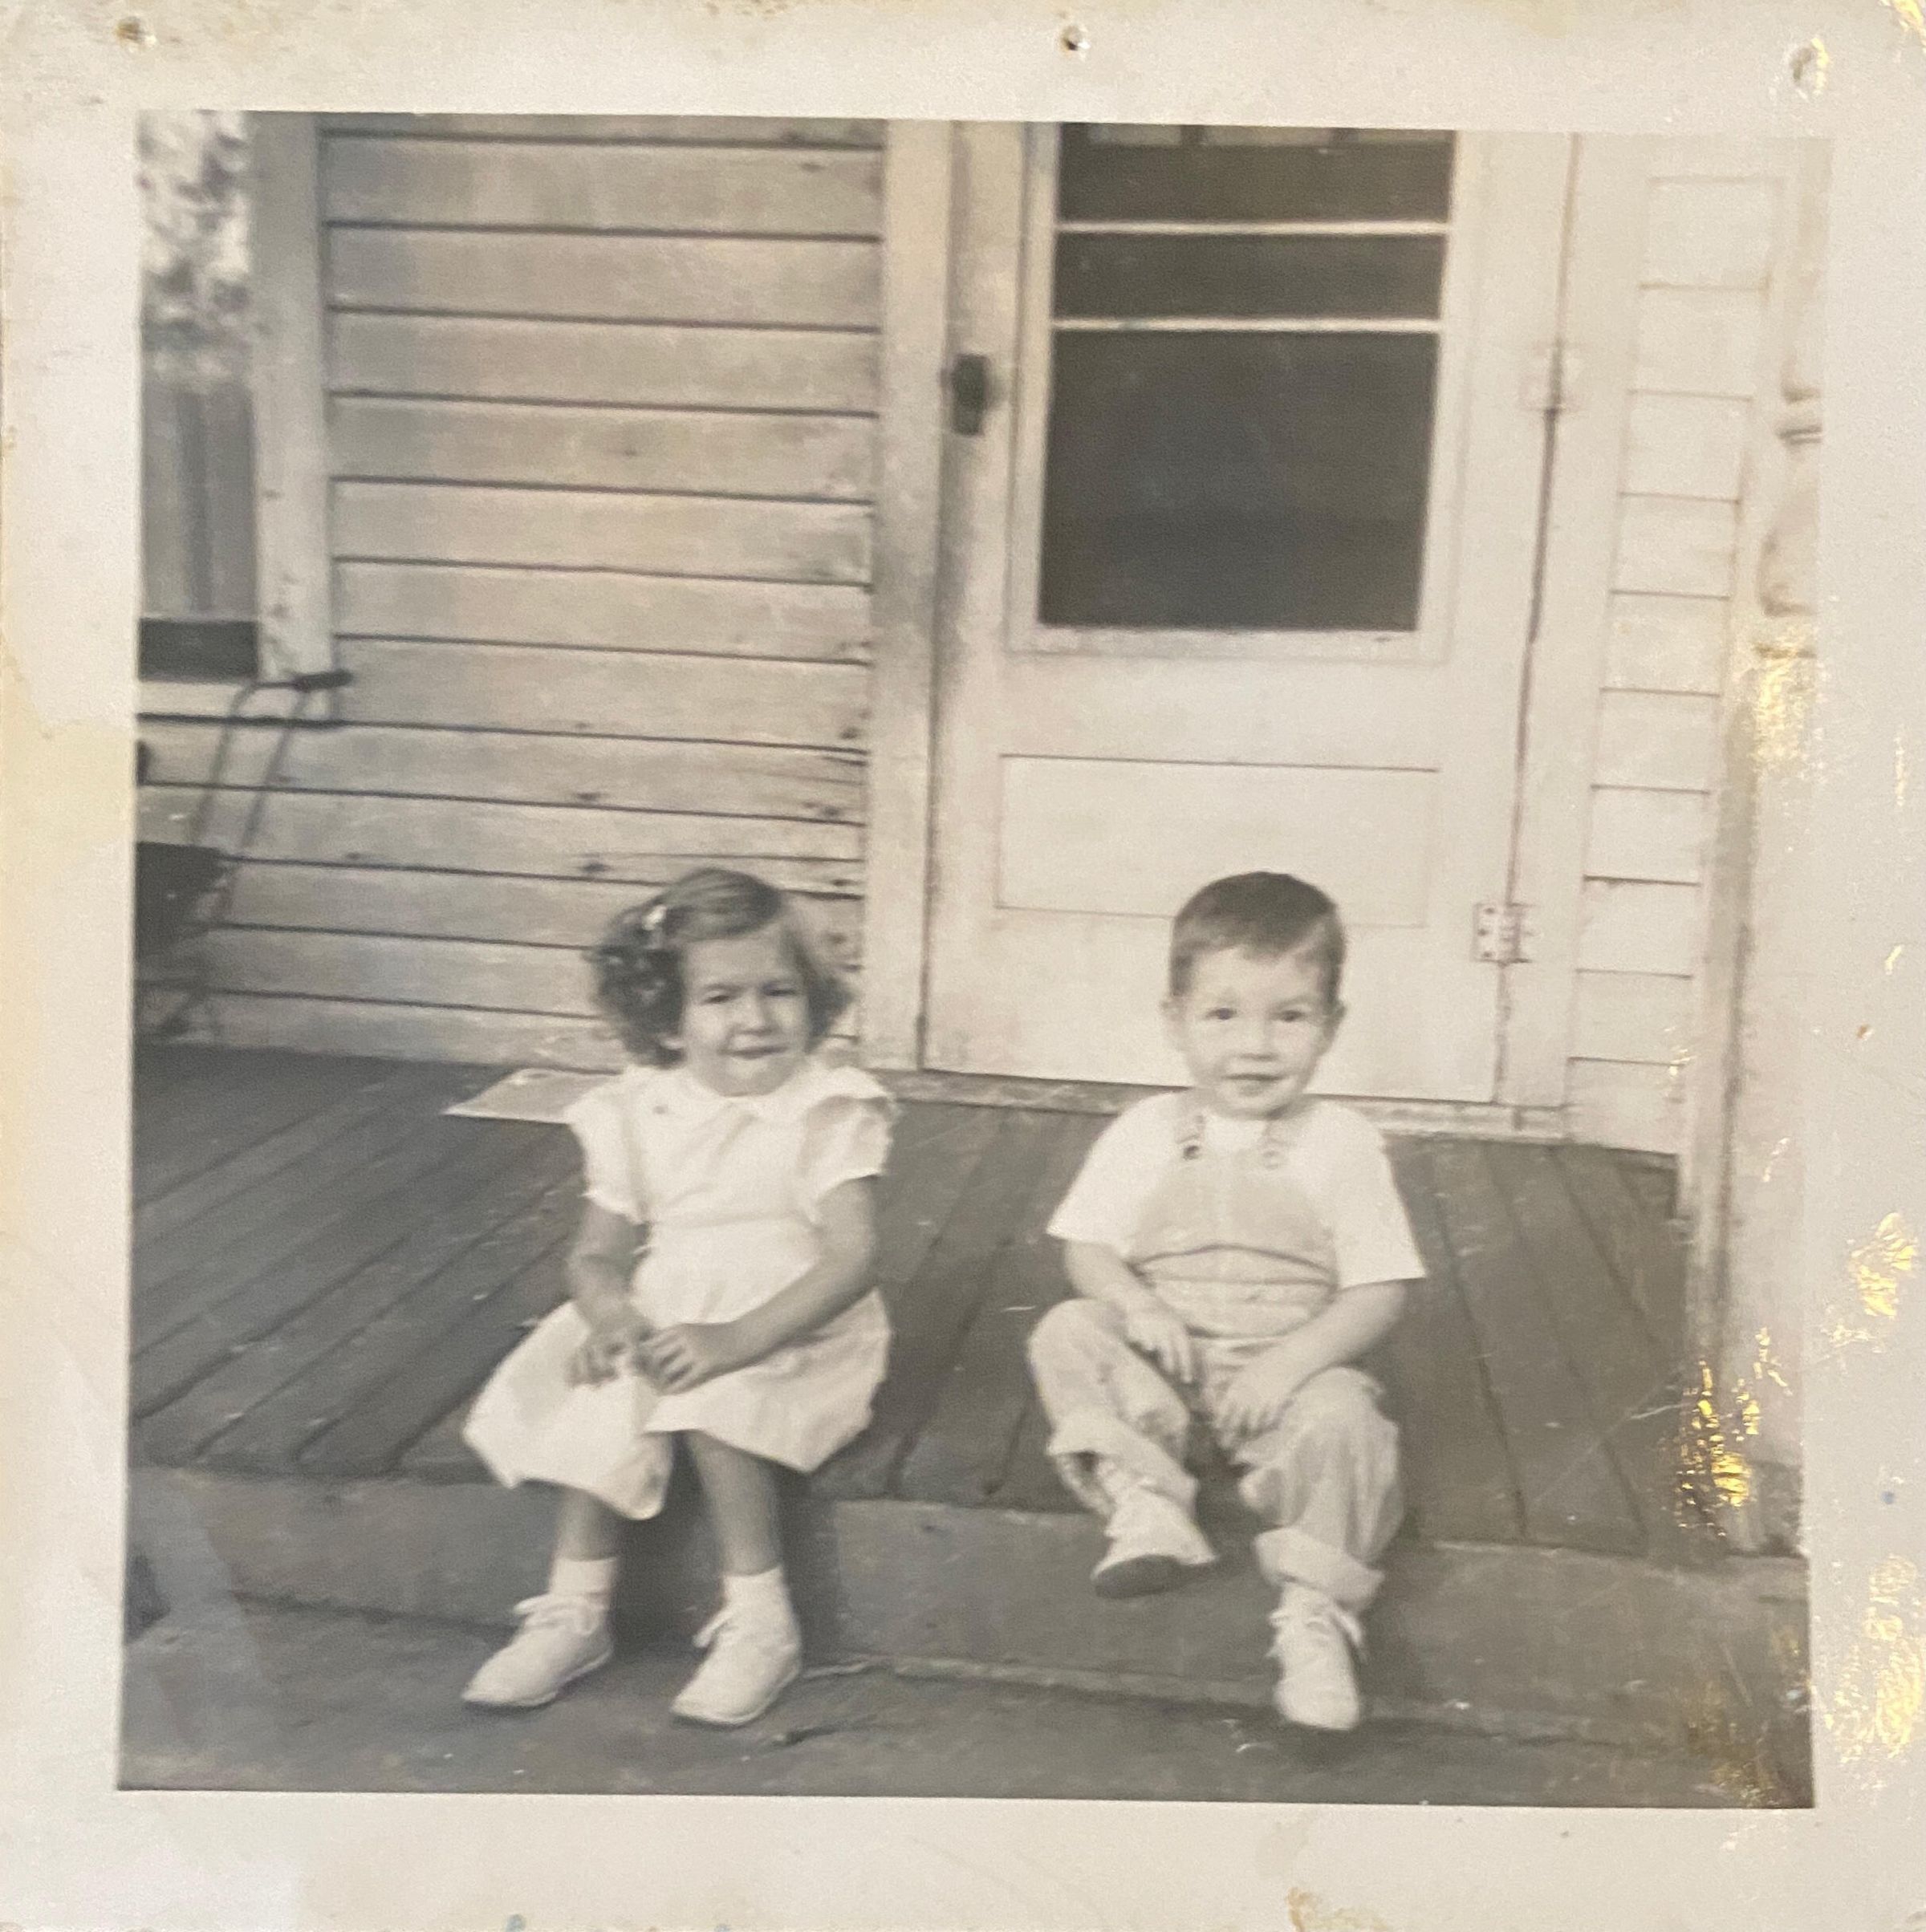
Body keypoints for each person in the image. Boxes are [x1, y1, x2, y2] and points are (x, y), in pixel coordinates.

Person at [460, 867, 892, 1727]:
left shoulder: (827, 1108)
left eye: (778, 991)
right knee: (603, 1387)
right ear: (667, 1016)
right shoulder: (635, 1111)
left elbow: (853, 1259)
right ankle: (575, 1610)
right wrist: (612, 1317)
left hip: (792, 1321)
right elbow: (597, 1253)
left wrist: (737, 1339)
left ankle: (762, 1619)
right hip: (670, 1307)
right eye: (720, 997)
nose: (755, 1019)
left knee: (714, 1398)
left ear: (812, 1000)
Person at [1026, 872, 1423, 1732]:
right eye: (1223, 1015)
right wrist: (1137, 1306)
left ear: (1332, 1026)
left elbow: (1379, 1290)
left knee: (1350, 1422)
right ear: (1174, 1021)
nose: (1255, 1046)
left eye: (1290, 1016)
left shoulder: (1343, 1144)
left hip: (1280, 1388)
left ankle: (1315, 1614)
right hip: (1164, 1377)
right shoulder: (1143, 1132)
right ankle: (1148, 1501)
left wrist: (1290, 1365)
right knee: (1069, 1330)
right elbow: (1086, 1248)